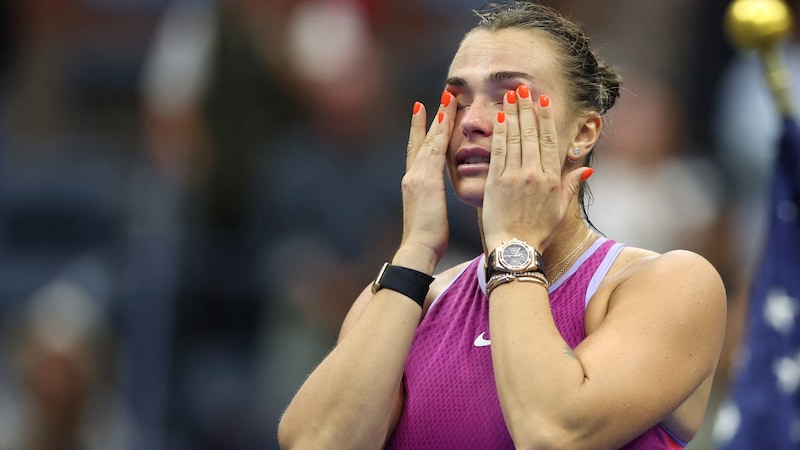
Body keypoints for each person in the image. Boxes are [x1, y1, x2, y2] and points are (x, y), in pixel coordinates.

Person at [277, 2, 727, 449]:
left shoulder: (672, 285)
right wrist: (414, 250)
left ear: (583, 134)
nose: (470, 122)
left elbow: (552, 432)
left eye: (509, 97)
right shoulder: (410, 297)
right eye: (457, 100)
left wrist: (513, 244)